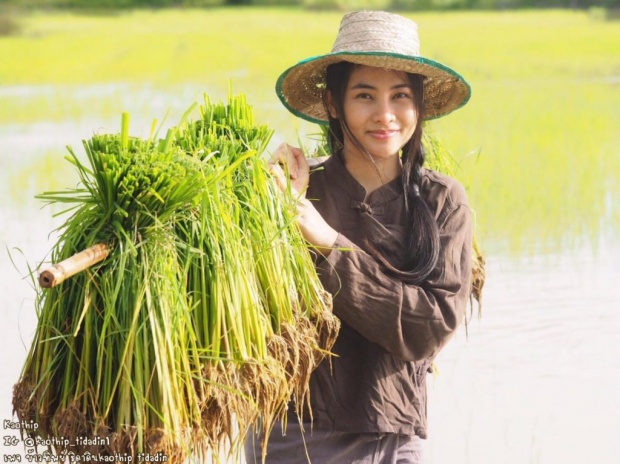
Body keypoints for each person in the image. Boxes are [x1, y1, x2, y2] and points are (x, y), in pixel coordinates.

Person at [245, 10, 474, 464]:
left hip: (390, 436)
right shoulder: (299, 192)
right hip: (292, 434)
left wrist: (330, 243)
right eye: (365, 95)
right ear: (334, 103)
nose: (385, 115)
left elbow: (429, 327)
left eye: (400, 96)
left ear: (419, 106)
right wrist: (269, 208)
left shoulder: (442, 200)